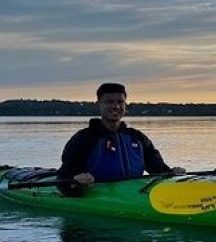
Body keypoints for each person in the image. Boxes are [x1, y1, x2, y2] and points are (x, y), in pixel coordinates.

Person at [57, 82, 185, 193]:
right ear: (99, 104)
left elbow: (159, 170)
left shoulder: (138, 138)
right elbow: (64, 177)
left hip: (133, 192)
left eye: (120, 102)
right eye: (110, 102)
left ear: (125, 105)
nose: (116, 106)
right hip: (94, 193)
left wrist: (172, 173)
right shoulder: (83, 138)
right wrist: (76, 180)